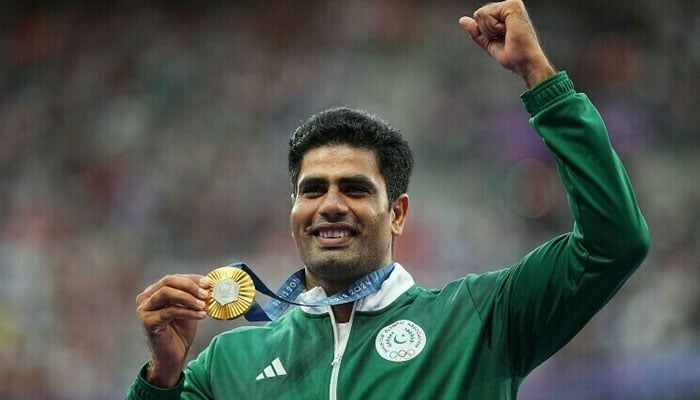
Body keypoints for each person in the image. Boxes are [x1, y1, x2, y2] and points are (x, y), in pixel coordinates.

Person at [126, 1, 650, 398]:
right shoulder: (228, 362)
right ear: (294, 213)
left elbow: (614, 243)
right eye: (312, 190)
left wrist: (540, 79)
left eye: (355, 188)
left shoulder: (478, 320)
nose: (330, 204)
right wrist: (162, 376)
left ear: (397, 213)